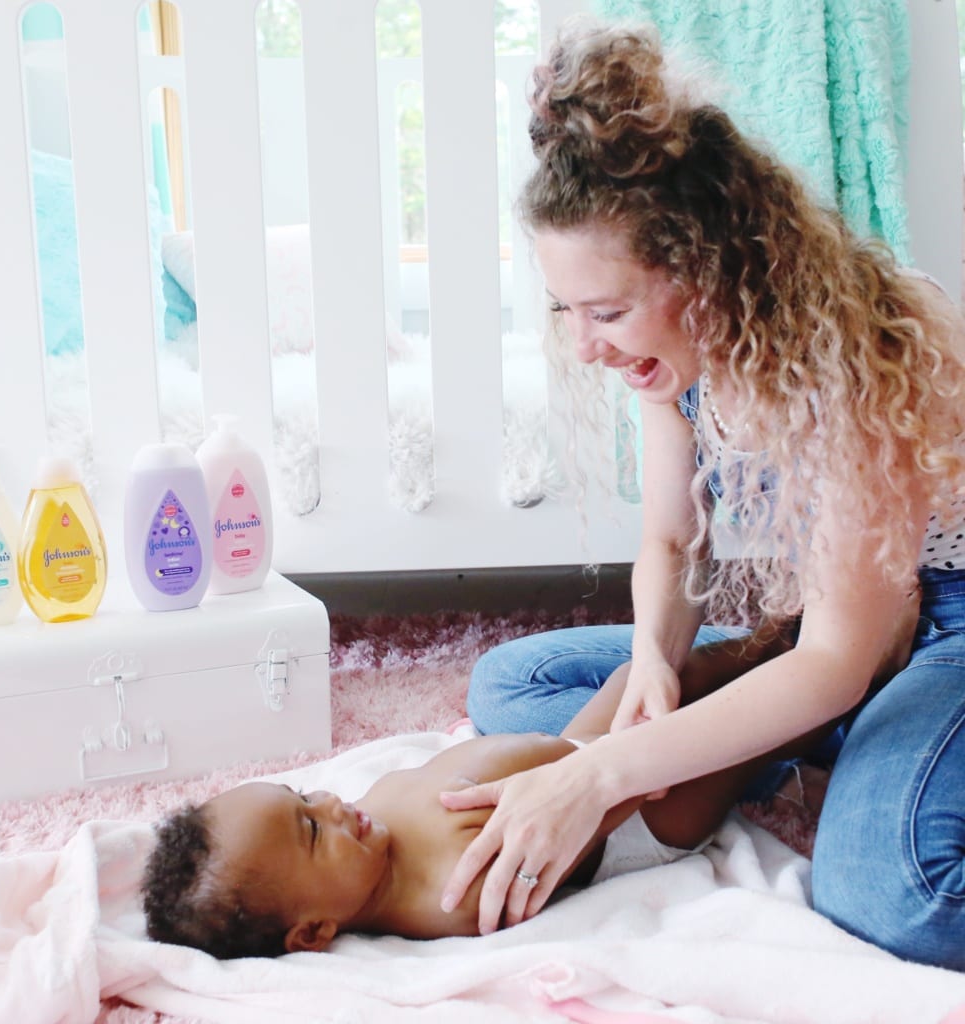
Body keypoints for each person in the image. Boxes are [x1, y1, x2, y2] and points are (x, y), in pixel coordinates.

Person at [439, 17, 965, 973]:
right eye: (569, 312)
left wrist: (601, 776)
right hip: (840, 633)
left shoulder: (864, 349)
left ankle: (868, 755)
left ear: (705, 269)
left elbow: (840, 657)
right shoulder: (676, 360)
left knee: (897, 894)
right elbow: (675, 547)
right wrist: (651, 659)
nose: (588, 345)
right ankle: (846, 753)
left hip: (940, 627)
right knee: (512, 689)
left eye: (608, 311)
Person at [141, 622, 835, 958]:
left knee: (644, 681)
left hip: (579, 753)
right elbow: (598, 805)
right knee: (722, 713)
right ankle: (829, 677)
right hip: (640, 812)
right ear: (314, 930)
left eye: (303, 795)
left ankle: (803, 647)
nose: (328, 803)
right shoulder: (457, 890)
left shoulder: (367, 830)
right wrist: (647, 753)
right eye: (311, 830)